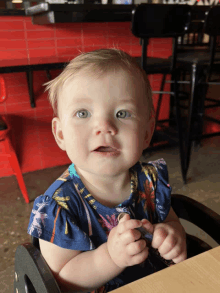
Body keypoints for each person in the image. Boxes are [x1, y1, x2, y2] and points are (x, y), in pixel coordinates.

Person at [28, 48, 187, 293]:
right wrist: (110, 258)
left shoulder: (150, 180)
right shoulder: (58, 207)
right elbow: (61, 281)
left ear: (147, 132)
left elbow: (171, 221)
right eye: (83, 113)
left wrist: (171, 235)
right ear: (60, 134)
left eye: (122, 113)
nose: (105, 126)